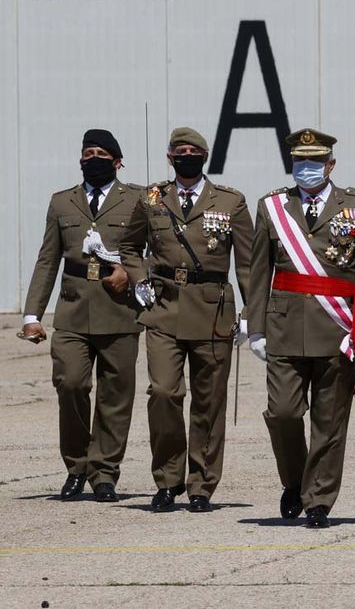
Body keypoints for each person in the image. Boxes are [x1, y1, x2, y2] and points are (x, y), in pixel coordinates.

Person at [247, 127, 355, 529]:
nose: (306, 169)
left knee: (330, 422)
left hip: (338, 329)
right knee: (282, 414)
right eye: (300, 162)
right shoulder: (272, 206)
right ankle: (294, 482)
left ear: (330, 164)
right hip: (283, 326)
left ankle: (318, 500)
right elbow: (258, 271)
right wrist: (253, 325)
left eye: (314, 162)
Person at [119, 127, 253, 513]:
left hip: (212, 310)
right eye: (180, 151)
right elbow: (129, 245)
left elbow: (246, 263)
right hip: (164, 306)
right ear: (169, 157)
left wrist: (250, 313)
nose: (187, 156)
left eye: (194, 151)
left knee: (209, 401)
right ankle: (167, 479)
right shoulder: (151, 198)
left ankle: (201, 485)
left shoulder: (230, 202)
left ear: (205, 157)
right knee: (163, 392)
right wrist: (139, 278)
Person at [20, 129, 143, 503]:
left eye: (101, 153)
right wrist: (31, 314)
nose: (93, 158)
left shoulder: (137, 199)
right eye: (87, 152)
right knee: (71, 384)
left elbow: (158, 250)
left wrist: (134, 275)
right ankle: (76, 466)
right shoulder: (62, 202)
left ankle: (104, 472)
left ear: (117, 161)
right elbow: (47, 261)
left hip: (120, 311)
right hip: (73, 311)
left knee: (115, 396)